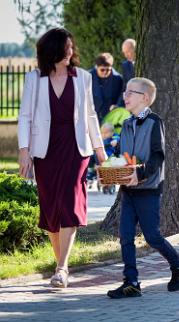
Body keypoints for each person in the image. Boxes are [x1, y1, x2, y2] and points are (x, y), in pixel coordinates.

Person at [17, 27, 106, 288]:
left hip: (75, 148)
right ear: (53, 50)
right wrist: (24, 151)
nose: (70, 51)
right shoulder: (35, 78)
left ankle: (62, 267)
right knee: (50, 208)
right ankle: (60, 267)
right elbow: (25, 116)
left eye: (71, 47)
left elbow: (90, 115)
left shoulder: (83, 77)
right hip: (45, 150)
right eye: (65, 47)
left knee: (68, 203)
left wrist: (100, 151)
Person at [107, 77, 179, 299]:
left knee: (152, 236)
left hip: (148, 189)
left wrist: (140, 174)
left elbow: (158, 156)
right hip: (128, 191)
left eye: (130, 93)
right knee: (125, 236)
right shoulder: (126, 124)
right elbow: (122, 156)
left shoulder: (155, 122)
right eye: (125, 92)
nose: (125, 96)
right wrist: (113, 162)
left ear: (144, 98)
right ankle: (131, 282)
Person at [89, 53, 124, 122]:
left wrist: (117, 105)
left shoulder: (118, 78)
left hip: (110, 117)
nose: (105, 72)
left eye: (108, 70)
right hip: (92, 117)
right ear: (97, 67)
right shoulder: (88, 77)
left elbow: (122, 94)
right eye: (102, 70)